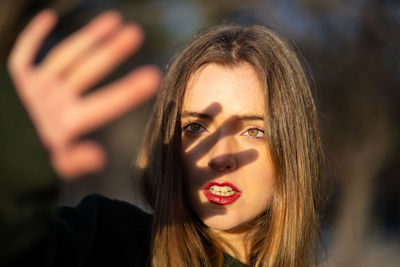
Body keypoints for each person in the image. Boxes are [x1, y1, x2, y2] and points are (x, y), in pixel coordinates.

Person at [4, 9, 323, 267]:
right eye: (196, 127)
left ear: (292, 149)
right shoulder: (107, 243)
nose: (220, 156)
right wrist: (13, 173)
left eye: (254, 131)